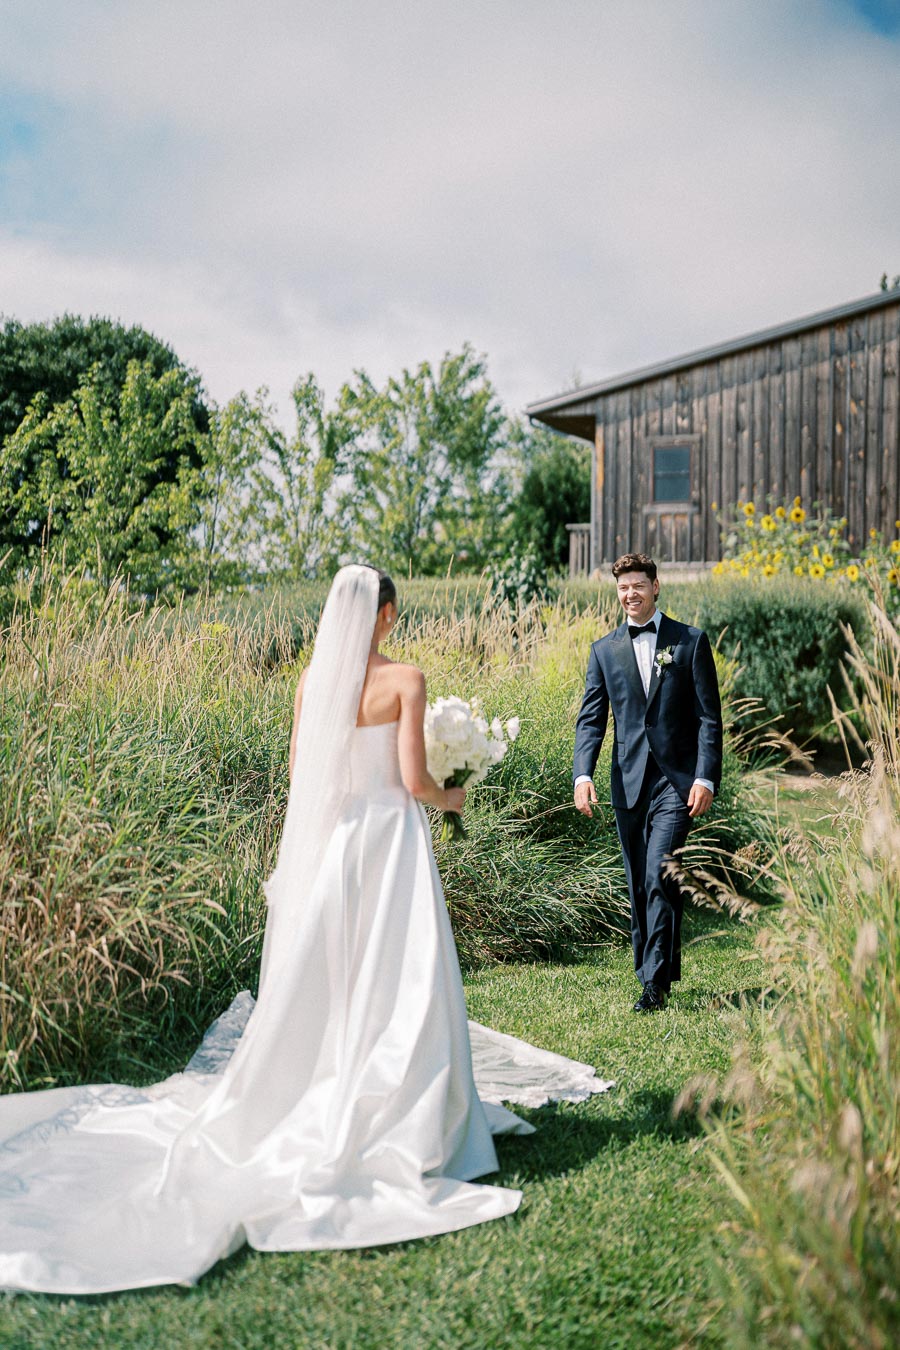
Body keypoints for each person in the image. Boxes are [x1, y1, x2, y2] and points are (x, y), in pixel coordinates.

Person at [0, 563, 611, 1295]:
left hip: (340, 846)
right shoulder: (406, 680)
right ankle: (405, 1107)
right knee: (399, 972)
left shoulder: (312, 685)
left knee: (340, 974)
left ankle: (334, 1083)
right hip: (390, 843)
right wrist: (456, 796)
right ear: (384, 615)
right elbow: (415, 782)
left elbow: (303, 774)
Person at [573, 553, 723, 1012]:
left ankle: (653, 984)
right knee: (639, 881)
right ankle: (652, 969)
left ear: (656, 587)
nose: (630, 594)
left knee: (661, 872)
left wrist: (705, 777)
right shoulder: (604, 650)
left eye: (638, 585)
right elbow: (592, 719)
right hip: (628, 782)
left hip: (676, 785)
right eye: (623, 588)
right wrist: (583, 773)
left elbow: (708, 720)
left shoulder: (689, 642)